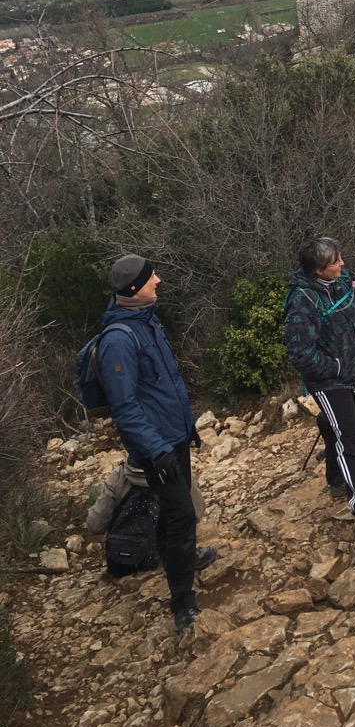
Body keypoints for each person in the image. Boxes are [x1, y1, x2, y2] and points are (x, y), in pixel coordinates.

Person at [98, 255, 204, 632]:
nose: (158, 280)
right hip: (155, 446)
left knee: (175, 510)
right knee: (181, 515)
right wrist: (156, 450)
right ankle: (183, 603)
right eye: (150, 277)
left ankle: (181, 559)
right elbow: (124, 407)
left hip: (172, 437)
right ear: (133, 288)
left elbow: (163, 383)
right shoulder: (118, 341)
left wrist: (186, 428)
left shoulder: (147, 320)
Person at [284, 237, 355, 533]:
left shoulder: (345, 278)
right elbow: (300, 352)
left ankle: (337, 479)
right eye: (335, 262)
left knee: (340, 425)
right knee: (351, 436)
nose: (342, 264)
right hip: (329, 380)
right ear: (318, 271)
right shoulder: (302, 300)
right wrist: (336, 367)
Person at [86, 458, 213, 577]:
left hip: (123, 560)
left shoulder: (118, 476)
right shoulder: (174, 469)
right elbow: (197, 512)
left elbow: (95, 525)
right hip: (166, 555)